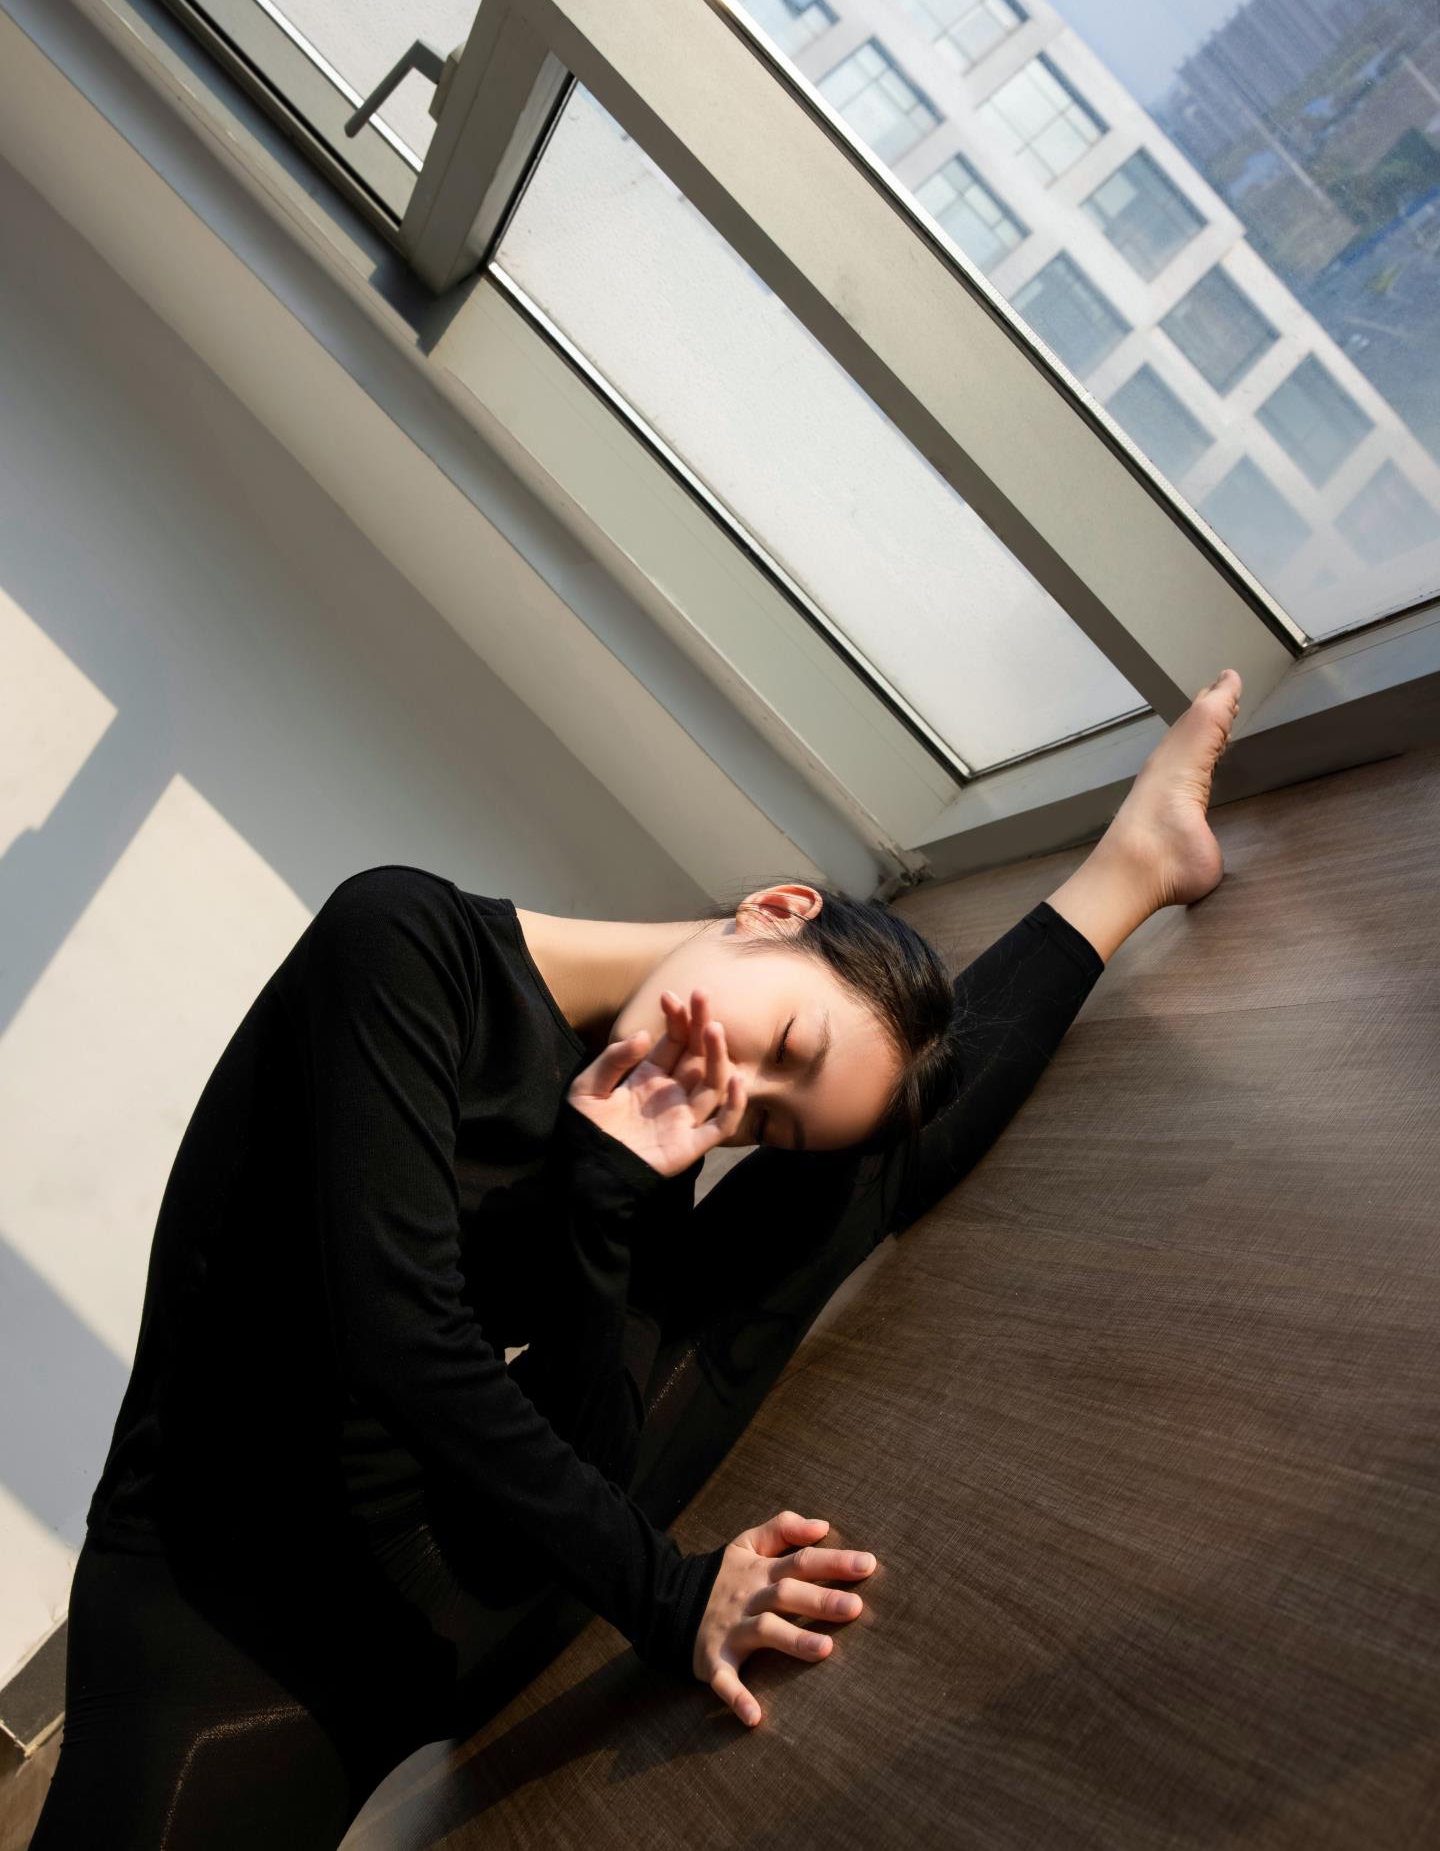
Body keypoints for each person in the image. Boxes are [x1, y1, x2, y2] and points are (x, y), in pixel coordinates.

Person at [29, 674, 1244, 1848]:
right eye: (781, 1041)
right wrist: (672, 1597)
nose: (734, 1093)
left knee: (857, 1143)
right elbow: (402, 1346)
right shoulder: (397, 942)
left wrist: (605, 1200)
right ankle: (1126, 869)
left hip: (471, 1587)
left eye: (762, 1120)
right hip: (227, 1630)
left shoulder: (660, 1125)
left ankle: (1132, 867)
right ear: (776, 908)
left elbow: (595, 1442)